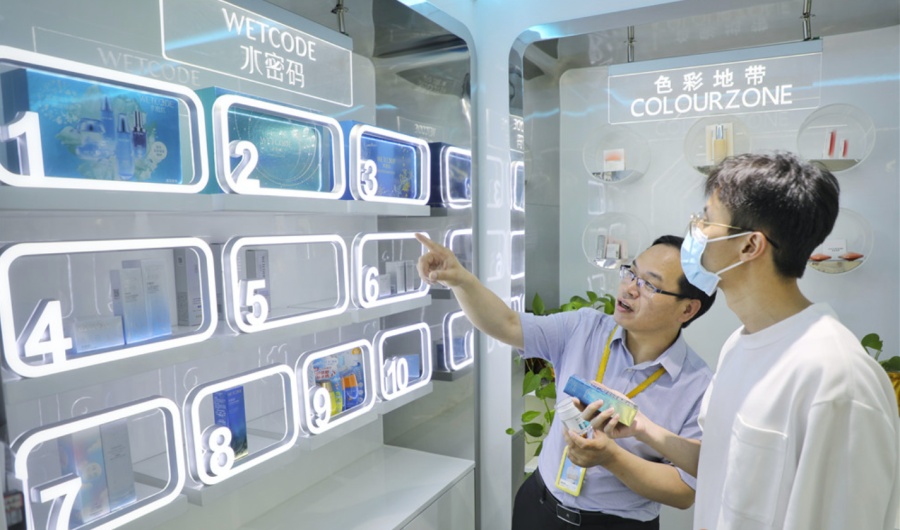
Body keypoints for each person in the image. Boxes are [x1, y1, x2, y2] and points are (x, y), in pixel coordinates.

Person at [595, 152, 900, 530]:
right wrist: (643, 428)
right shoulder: (739, 345)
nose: (695, 232)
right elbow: (721, 461)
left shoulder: (837, 377)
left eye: (707, 220)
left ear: (749, 246)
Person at [416, 232, 717, 530]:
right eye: (631, 273)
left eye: (649, 285)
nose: (629, 289)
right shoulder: (583, 327)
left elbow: (683, 491)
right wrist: (460, 280)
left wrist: (611, 458)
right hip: (540, 506)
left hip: (617, 525)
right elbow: (508, 324)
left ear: (687, 309)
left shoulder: (699, 386)